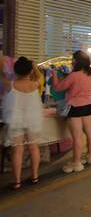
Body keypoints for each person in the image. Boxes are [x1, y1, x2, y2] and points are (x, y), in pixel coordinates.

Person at [53, 50, 91, 173]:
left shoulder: (74, 75)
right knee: (89, 133)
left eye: (73, 59)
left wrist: (55, 74)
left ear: (77, 61)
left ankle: (76, 163)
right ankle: (90, 156)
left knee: (77, 137)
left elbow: (58, 88)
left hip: (75, 107)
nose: (72, 61)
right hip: (88, 106)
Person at [3, 57, 43, 189]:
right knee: (33, 148)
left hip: (16, 120)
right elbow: (39, 75)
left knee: (17, 150)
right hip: (32, 119)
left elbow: (1, 74)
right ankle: (35, 176)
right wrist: (34, 66)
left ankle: (17, 182)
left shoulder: (11, 84)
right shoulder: (34, 84)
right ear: (30, 70)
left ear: (15, 70)